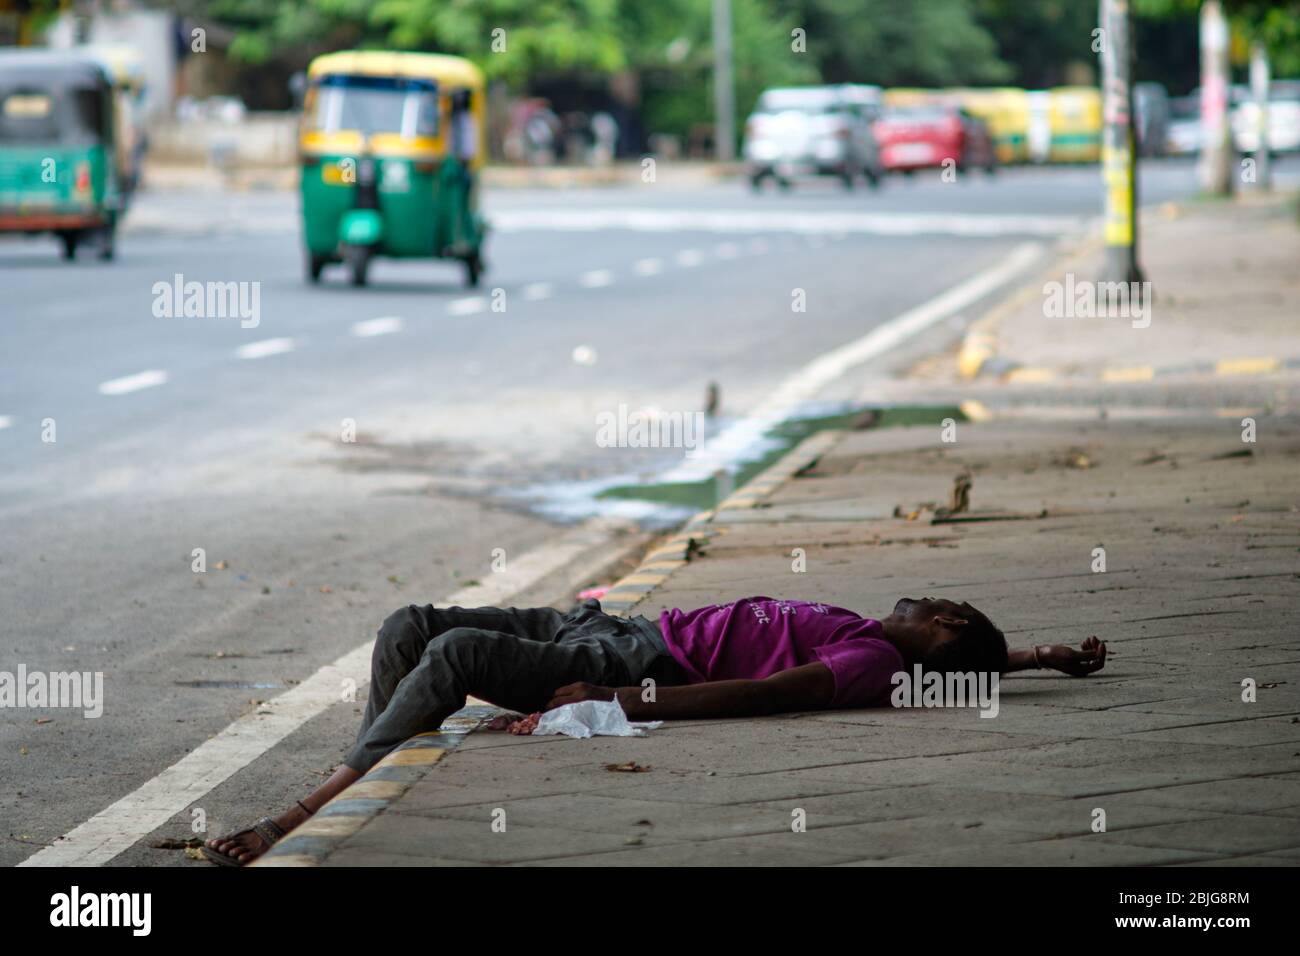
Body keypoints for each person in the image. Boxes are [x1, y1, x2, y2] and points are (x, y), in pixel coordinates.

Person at [203, 595, 1106, 865]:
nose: (932, 594)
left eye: (947, 607)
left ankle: (313, 804)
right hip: (608, 627)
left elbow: (769, 694)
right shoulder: (882, 634)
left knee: (449, 659)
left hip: (635, 664)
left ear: (943, 635)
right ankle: (373, 757)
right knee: (408, 626)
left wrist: (620, 703)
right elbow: (976, 661)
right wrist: (1037, 657)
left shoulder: (877, 663)